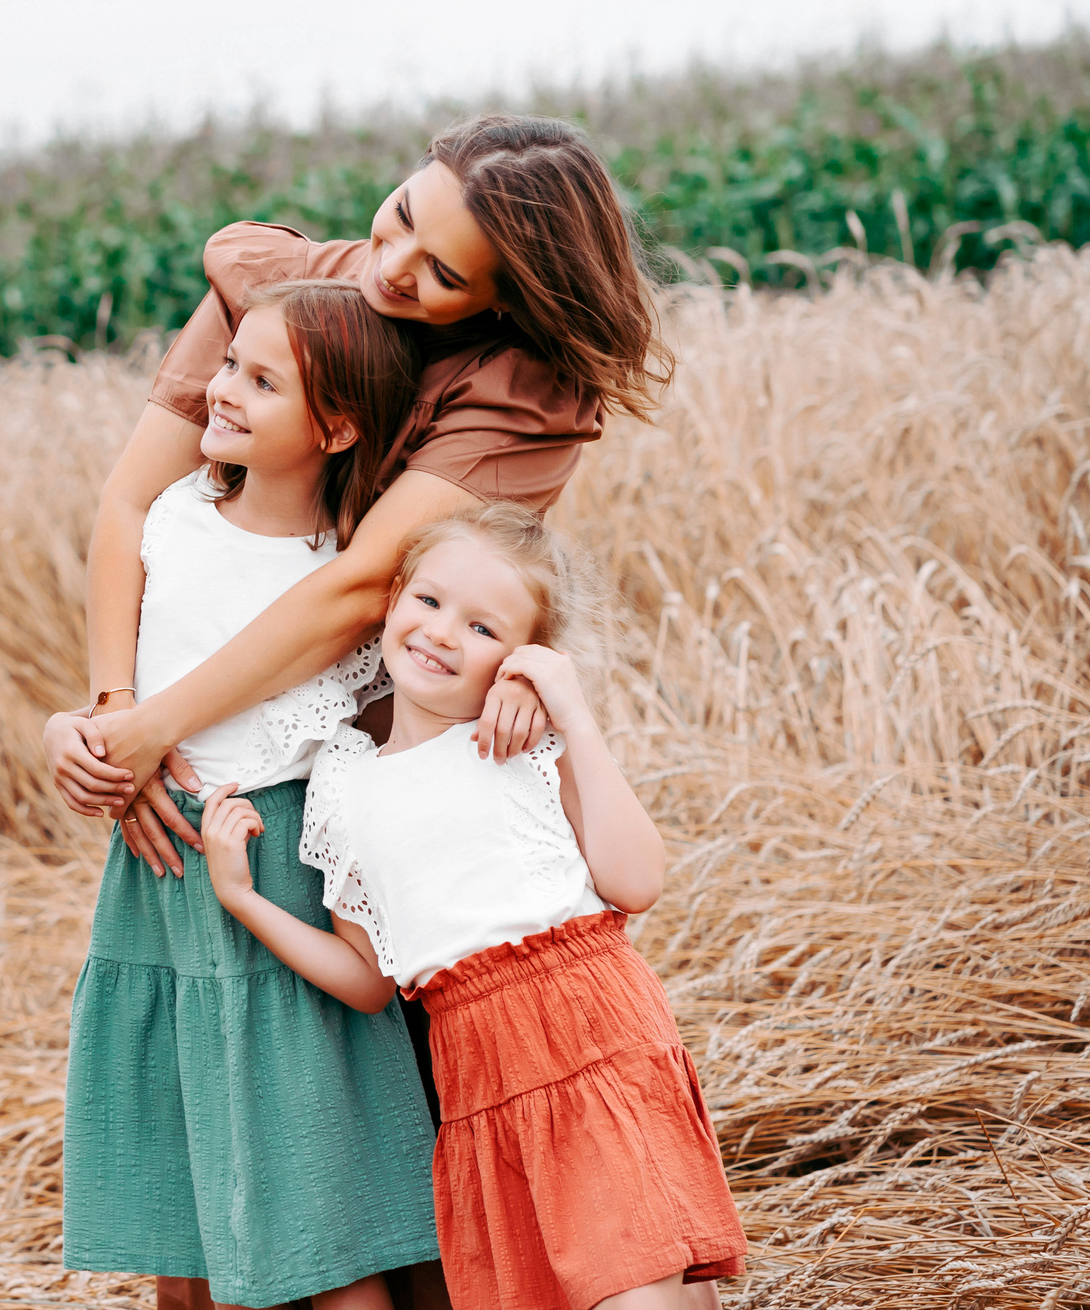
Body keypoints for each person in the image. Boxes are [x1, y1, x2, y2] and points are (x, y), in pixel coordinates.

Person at [47, 114, 673, 1310]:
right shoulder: (276, 292)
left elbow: (352, 593)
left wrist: (151, 731)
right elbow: (132, 503)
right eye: (396, 219)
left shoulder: (522, 386)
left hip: (381, 779)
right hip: (213, 759)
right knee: (206, 1164)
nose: (391, 269)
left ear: (512, 297)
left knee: (392, 1162)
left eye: (442, 274)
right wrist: (119, 719)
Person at [202, 504, 744, 1310]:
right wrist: (241, 898)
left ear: (523, 655)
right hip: (478, 1068)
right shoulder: (343, 783)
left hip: (591, 1027)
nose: (443, 632)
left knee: (640, 1282)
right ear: (390, 599)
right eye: (428, 601)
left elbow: (636, 882)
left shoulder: (524, 741)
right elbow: (366, 977)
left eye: (484, 626)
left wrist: (572, 709)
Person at [53, 281, 439, 1310]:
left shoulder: (346, 574)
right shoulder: (173, 516)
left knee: (324, 1207)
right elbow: (128, 687)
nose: (222, 390)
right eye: (230, 364)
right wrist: (75, 730)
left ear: (338, 427)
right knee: (181, 1215)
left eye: (262, 382)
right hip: (161, 876)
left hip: (287, 876)